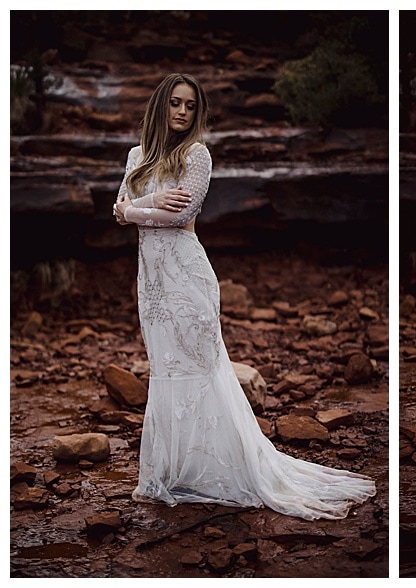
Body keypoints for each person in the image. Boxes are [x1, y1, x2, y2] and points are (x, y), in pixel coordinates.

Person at [112, 73, 375, 519]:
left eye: (190, 106)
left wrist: (134, 209)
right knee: (166, 371)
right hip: (153, 284)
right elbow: (117, 210)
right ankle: (171, 472)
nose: (182, 112)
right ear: (160, 106)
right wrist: (148, 204)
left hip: (187, 278)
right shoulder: (136, 155)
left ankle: (217, 470)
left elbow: (182, 216)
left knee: (200, 369)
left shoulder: (197, 155)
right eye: (175, 103)